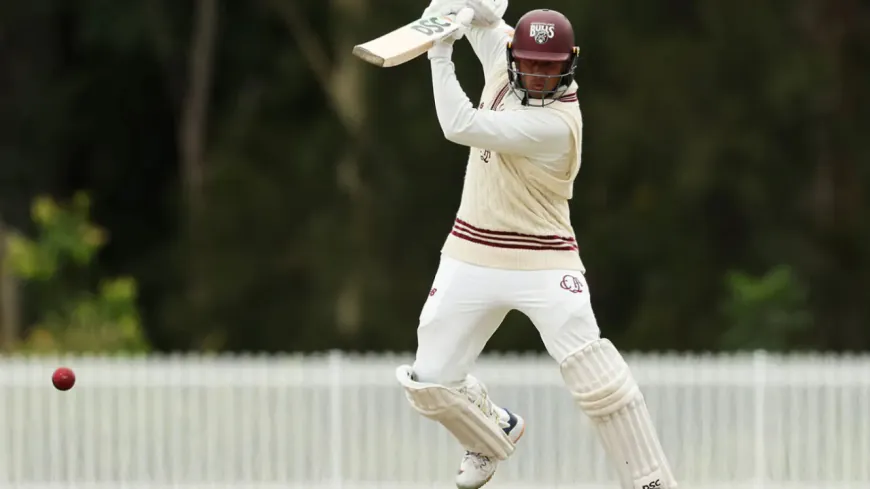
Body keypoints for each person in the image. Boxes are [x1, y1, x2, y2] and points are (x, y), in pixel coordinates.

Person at [394, 1, 678, 488]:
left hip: (544, 259)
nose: (538, 75)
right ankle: (489, 433)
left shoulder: (557, 125)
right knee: (431, 380)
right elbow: (488, 27)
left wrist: (439, 50)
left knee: (598, 379)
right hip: (472, 248)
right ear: (515, 56)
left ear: (568, 65)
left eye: (549, 67)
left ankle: (651, 482)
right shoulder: (507, 56)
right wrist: (465, 10)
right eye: (529, 63)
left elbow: (458, 124)